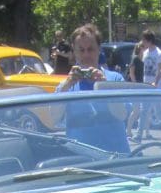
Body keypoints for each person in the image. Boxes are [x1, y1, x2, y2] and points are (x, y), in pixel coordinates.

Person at [54, 23, 128, 153]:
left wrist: (105, 86)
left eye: (91, 49)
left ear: (99, 49)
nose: (86, 54)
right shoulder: (66, 85)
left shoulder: (115, 79)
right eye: (81, 50)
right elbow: (53, 119)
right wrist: (66, 86)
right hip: (81, 161)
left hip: (116, 158)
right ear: (74, 51)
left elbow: (122, 115)